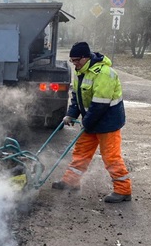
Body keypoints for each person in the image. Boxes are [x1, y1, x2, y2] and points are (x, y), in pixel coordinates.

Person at [52, 42, 132, 203]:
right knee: (81, 152)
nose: (74, 64)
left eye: (76, 60)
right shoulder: (81, 72)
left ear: (86, 57)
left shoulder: (104, 73)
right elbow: (77, 98)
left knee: (111, 157)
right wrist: (70, 115)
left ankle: (123, 191)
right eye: (72, 60)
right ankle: (71, 181)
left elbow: (100, 104)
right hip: (92, 120)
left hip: (108, 122)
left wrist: (87, 122)